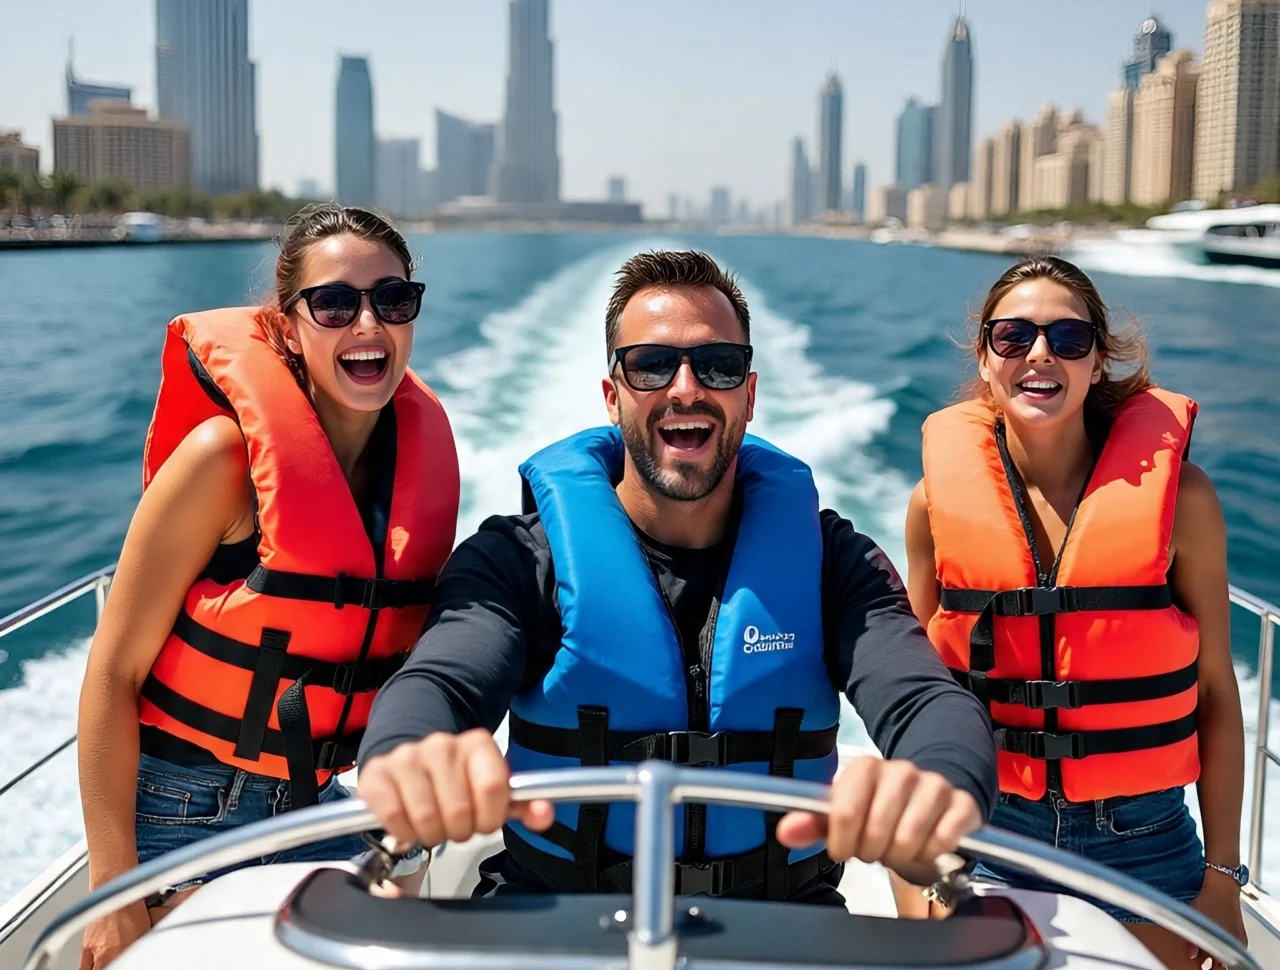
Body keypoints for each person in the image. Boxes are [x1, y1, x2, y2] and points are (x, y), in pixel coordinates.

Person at [356, 249, 996, 905]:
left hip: (784, 929)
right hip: (555, 923)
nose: (685, 388)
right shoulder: (520, 559)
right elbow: (440, 683)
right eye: (652, 365)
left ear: (748, 396)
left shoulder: (834, 561)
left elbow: (924, 699)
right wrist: (410, 758)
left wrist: (939, 786)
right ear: (613, 396)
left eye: (718, 366)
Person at [76, 204, 460, 969]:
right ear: (287, 325)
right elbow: (111, 674)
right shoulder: (222, 463)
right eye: (334, 303)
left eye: (392, 300)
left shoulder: (411, 474)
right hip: (181, 811)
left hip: (314, 804)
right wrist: (113, 892)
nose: (367, 323)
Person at [890, 255, 1247, 968]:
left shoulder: (1187, 503)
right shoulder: (933, 506)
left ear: (1097, 362)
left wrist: (1223, 878)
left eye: (1069, 339)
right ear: (986, 361)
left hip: (1145, 843)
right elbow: (912, 694)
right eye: (1013, 337)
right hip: (987, 828)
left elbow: (1214, 694)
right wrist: (915, 865)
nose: (1040, 355)